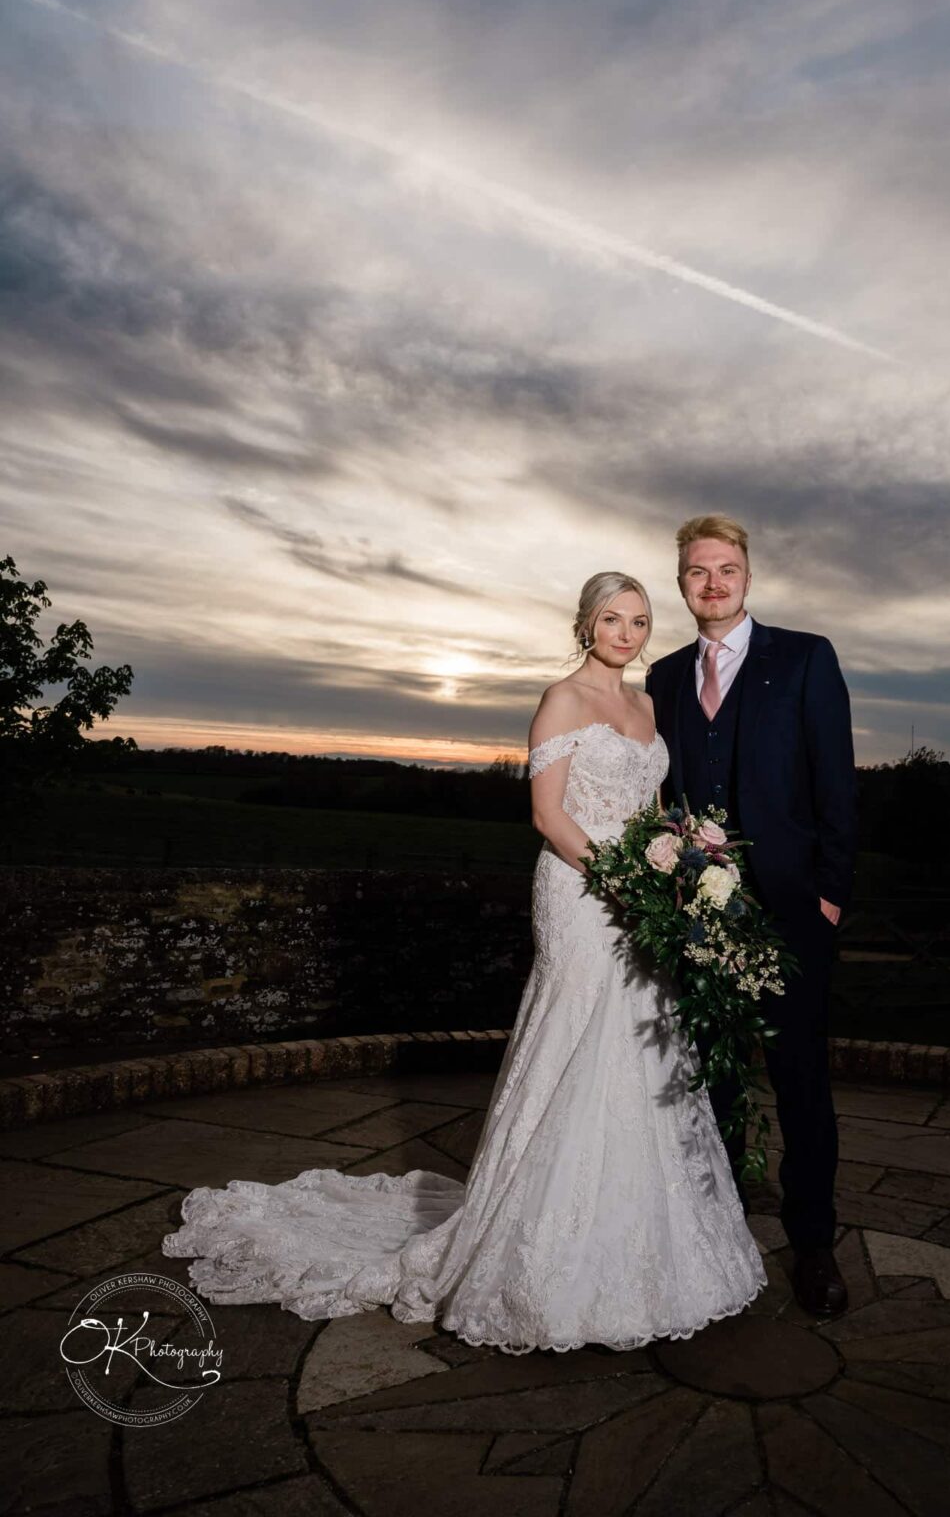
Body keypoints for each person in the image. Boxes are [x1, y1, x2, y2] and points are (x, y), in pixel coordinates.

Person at [162, 571, 767, 1352]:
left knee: (642, 1044)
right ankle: (532, 1237)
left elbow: (651, 811)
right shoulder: (561, 699)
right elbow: (548, 814)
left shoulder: (648, 705)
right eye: (611, 619)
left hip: (641, 897)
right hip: (581, 896)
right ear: (584, 625)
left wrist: (673, 868)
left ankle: (644, 1235)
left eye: (639, 620)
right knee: (579, 1036)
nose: (626, 632)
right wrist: (619, 881)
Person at [645, 515, 857, 1317]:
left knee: (800, 1081)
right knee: (709, 1077)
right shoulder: (663, 676)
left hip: (792, 910)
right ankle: (718, 1229)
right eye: (697, 571)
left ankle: (812, 1246)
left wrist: (828, 895)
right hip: (698, 915)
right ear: (682, 584)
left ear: (747, 575)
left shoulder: (804, 658)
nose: (712, 583)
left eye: (725, 568)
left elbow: (835, 784)